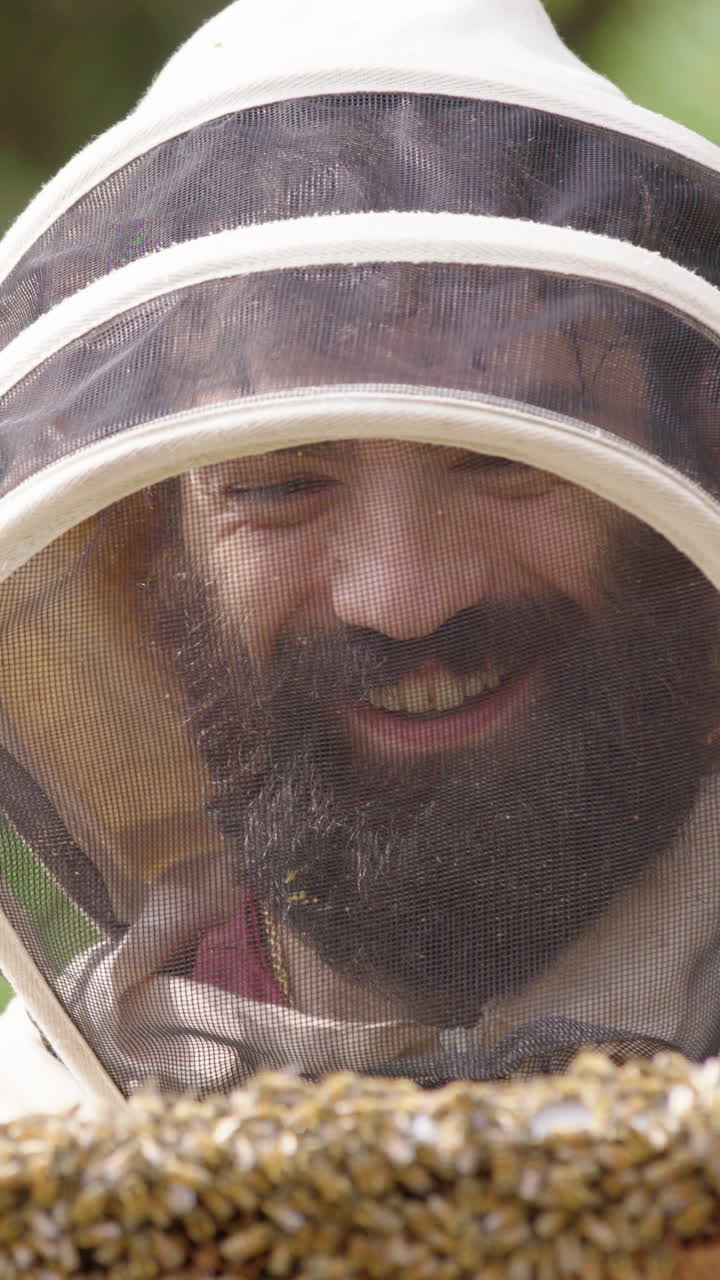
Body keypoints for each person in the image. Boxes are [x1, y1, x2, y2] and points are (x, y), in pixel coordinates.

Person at [0, 0, 719, 1116]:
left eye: (507, 450)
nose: (402, 595)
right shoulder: (39, 1122)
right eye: (281, 482)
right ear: (154, 558)